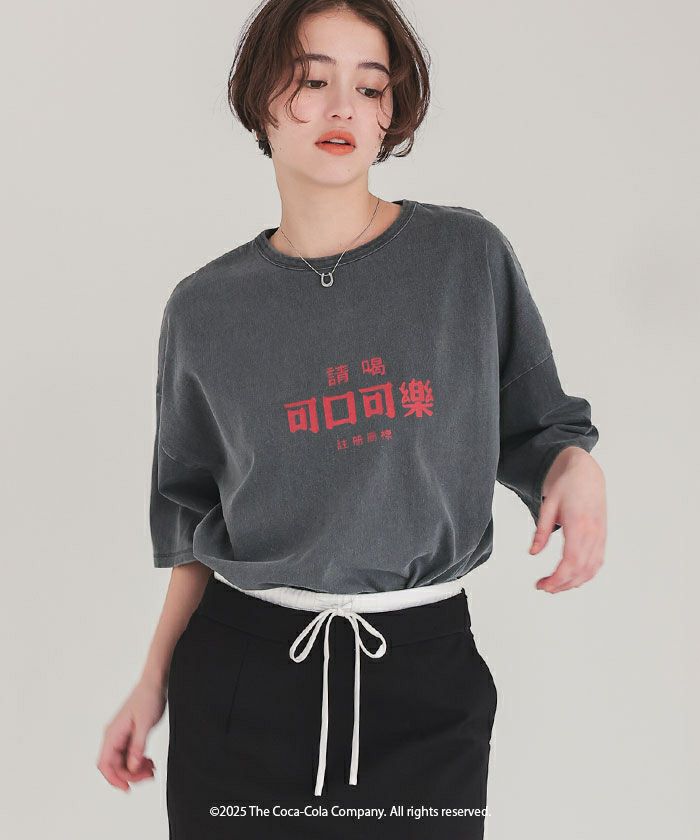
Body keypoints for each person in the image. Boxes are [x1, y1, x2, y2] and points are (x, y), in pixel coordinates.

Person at [96, 1, 607, 837]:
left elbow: (539, 422)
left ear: (389, 113)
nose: (343, 108)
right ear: (260, 98)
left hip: (423, 682)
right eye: (311, 81)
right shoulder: (204, 310)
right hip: (240, 682)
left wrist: (575, 464)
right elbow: (194, 522)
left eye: (370, 88)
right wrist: (152, 683)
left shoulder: (463, 258)